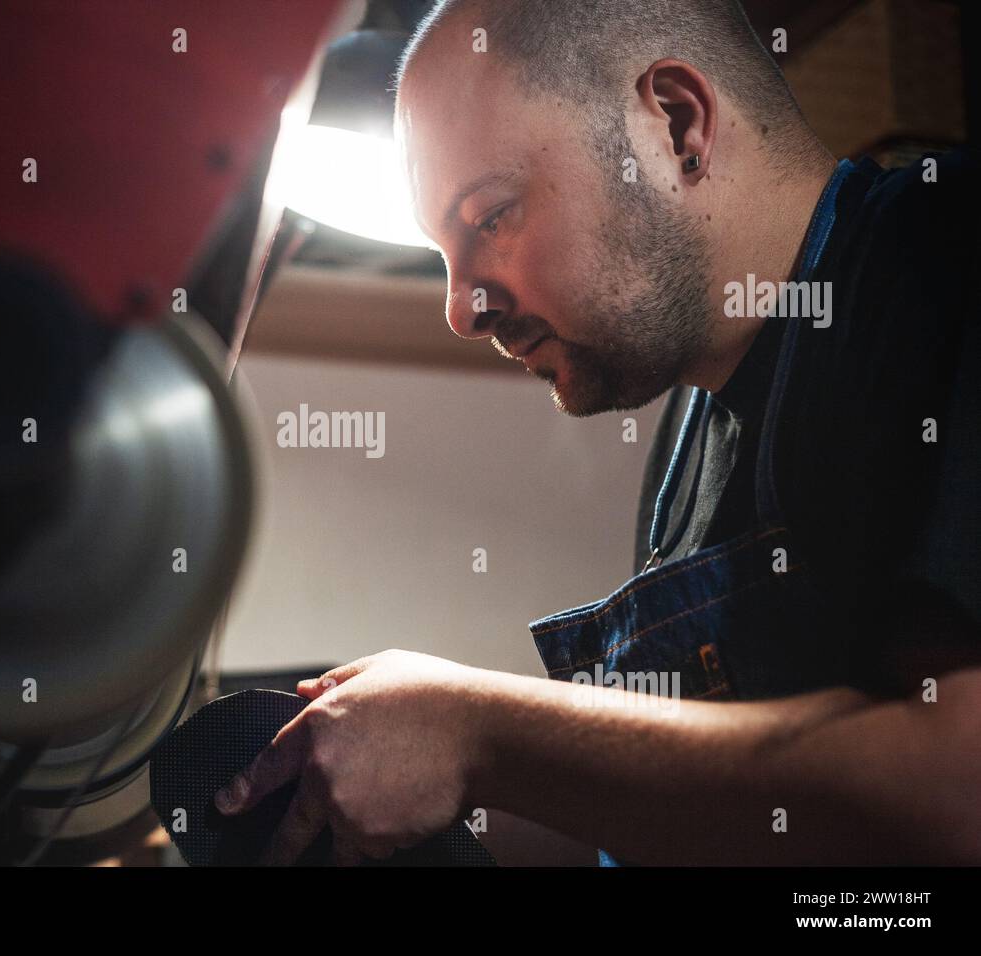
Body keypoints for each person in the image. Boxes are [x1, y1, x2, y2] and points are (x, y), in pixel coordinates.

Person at [215, 0, 981, 865]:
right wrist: (404, 774)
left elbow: (958, 790)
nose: (461, 311)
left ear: (678, 127)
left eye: (491, 216)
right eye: (443, 256)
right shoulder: (690, 436)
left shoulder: (939, 256)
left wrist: (482, 733)